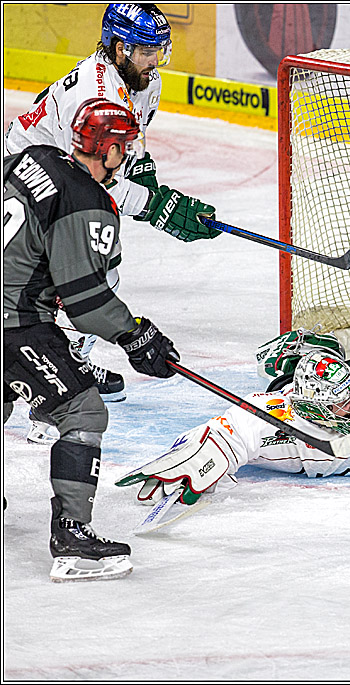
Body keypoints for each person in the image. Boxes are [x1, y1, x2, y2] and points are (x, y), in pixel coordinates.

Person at [5, 3, 218, 418]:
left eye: (160, 51)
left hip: (63, 172)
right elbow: (92, 178)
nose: (155, 61)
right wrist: (159, 206)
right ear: (120, 48)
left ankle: (61, 360)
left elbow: (126, 147)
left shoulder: (144, 80)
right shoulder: (95, 93)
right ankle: (52, 373)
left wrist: (147, 177)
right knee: (81, 275)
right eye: (147, 52)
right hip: (30, 173)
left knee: (99, 263)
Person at [4, 98, 181, 581]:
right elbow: (85, 302)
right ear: (110, 150)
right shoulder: (86, 200)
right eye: (124, 147)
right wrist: (136, 335)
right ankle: (73, 540)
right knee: (82, 411)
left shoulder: (32, 157)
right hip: (14, 321)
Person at [116, 349, 350, 508]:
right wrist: (204, 458)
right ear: (315, 408)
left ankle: (310, 348)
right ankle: (288, 356)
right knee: (281, 379)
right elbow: (229, 429)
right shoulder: (279, 417)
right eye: (341, 404)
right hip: (294, 398)